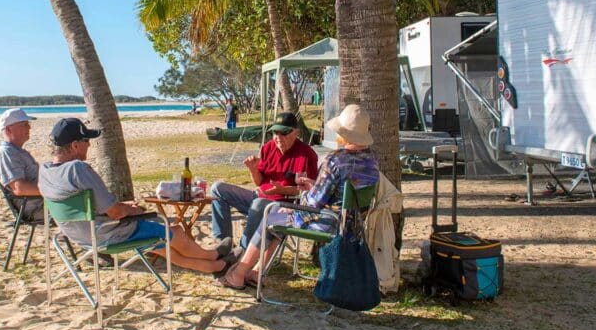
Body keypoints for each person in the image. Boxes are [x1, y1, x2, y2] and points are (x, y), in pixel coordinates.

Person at [217, 104, 380, 290]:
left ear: (343, 134)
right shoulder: (372, 160)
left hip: (329, 222)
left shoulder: (335, 160)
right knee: (281, 215)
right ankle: (255, 273)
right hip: (354, 224)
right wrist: (313, 184)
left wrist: (302, 198)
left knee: (275, 215)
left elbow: (314, 202)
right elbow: (341, 192)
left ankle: (238, 274)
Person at [39, 117, 233, 273]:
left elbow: (88, 206)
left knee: (159, 244)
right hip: (109, 234)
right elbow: (115, 212)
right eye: (87, 140)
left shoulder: (45, 171)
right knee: (174, 230)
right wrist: (132, 209)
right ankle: (213, 256)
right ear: (74, 145)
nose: (89, 145)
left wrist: (122, 207)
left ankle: (214, 266)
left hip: (80, 237)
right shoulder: (77, 169)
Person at [209, 112, 319, 250]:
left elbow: (311, 191)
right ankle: (222, 244)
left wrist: (283, 190)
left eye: (283, 133)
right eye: (275, 132)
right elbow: (259, 182)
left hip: (284, 207)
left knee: (259, 203)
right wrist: (253, 169)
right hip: (260, 198)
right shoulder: (268, 147)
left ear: (296, 132)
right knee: (217, 188)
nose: (278, 138)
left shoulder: (307, 154)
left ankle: (242, 252)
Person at [0, 108, 43, 220]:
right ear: (9, 129)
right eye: (24, 124)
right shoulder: (7, 153)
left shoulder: (17, 151)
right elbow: (19, 188)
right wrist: (55, 190)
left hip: (44, 202)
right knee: (85, 206)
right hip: (36, 208)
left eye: (28, 124)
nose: (29, 128)